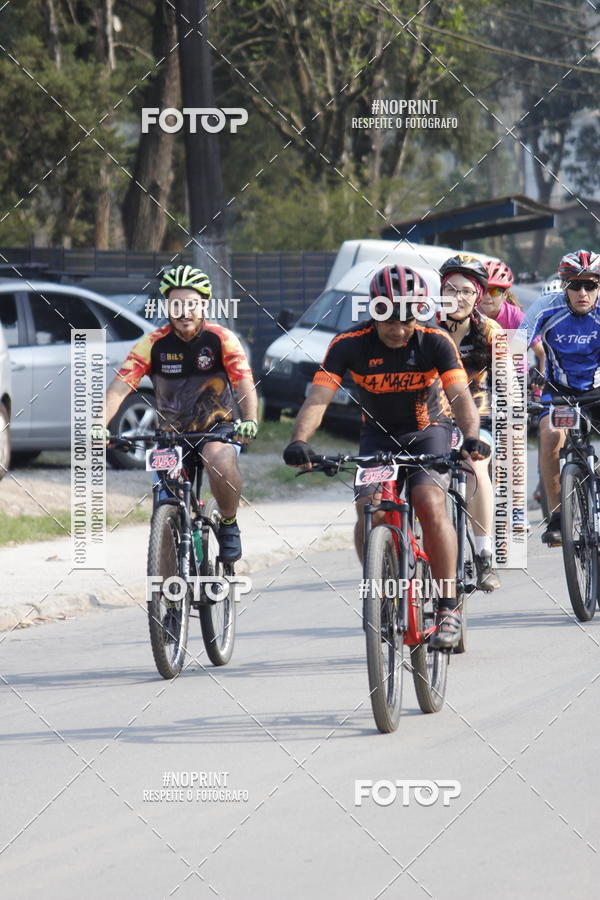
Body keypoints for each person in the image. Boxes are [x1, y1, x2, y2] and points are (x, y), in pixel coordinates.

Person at [283, 264, 489, 650]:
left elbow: (460, 396)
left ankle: (447, 607)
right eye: (388, 318)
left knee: (429, 501)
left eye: (406, 318)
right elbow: (319, 398)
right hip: (376, 438)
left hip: (428, 432)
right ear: (373, 310)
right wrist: (300, 441)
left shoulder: (435, 341)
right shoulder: (349, 344)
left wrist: (473, 436)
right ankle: (382, 580)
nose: (397, 328)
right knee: (370, 506)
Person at [101, 264, 258, 562]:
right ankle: (170, 600)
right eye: (176, 304)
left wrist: (250, 420)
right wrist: (99, 425)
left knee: (220, 460)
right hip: (171, 437)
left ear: (203, 305)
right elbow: (119, 389)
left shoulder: (222, 339)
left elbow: (244, 383)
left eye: (191, 304)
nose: (184, 311)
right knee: (164, 516)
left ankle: (228, 523)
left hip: (215, 429)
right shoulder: (152, 344)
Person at [520, 249, 600, 545]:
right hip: (560, 392)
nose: (582, 292)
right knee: (551, 434)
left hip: (597, 388)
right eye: (574, 284)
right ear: (563, 285)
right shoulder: (546, 307)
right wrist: (512, 388)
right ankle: (557, 516)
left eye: (590, 285)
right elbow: (515, 346)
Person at [436, 254, 504, 592]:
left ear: (478, 296)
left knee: (477, 468)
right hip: (432, 419)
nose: (457, 298)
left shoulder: (491, 331)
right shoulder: (425, 326)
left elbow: (510, 382)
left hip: (478, 417)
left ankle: (483, 556)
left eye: (466, 291)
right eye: (449, 289)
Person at [479, 259, 546, 374]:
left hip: (514, 373)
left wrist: (542, 378)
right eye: (484, 289)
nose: (488, 296)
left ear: (505, 295)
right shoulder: (471, 312)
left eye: (494, 291)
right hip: (482, 372)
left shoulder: (516, 316)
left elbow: (542, 353)